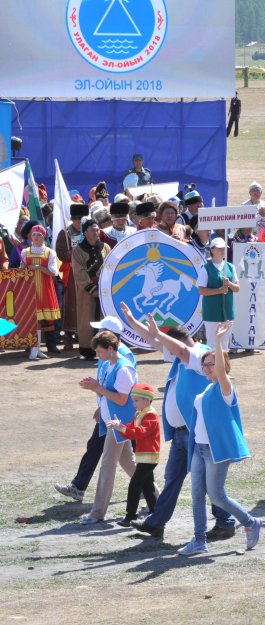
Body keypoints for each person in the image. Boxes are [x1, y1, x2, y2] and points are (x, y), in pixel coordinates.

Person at [116, 307, 235, 540]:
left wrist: (158, 334)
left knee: (208, 482)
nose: (166, 350)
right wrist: (132, 322)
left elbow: (175, 347)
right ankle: (156, 522)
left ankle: (226, 522)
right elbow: (154, 340)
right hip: (183, 433)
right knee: (172, 478)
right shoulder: (182, 355)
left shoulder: (198, 354)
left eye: (169, 344)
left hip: (196, 434)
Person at [178, 322, 261, 556]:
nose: (206, 369)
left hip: (216, 451)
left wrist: (216, 340)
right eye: (204, 365)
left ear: (222, 365)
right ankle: (199, 540)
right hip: (199, 449)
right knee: (196, 495)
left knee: (216, 495)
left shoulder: (226, 388)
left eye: (211, 364)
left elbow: (222, 372)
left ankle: (250, 521)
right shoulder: (206, 390)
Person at [78, 330, 139, 524]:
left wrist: (97, 388)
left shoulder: (124, 369)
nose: (98, 355)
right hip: (111, 422)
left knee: (107, 466)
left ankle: (97, 513)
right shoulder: (108, 365)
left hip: (120, 425)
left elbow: (122, 400)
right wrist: (100, 406)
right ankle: (157, 496)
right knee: (129, 464)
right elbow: (107, 393)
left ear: (111, 349)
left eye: (100, 351)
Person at [108, 383, 160, 527]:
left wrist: (121, 427)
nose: (134, 403)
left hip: (149, 457)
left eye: (136, 400)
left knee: (135, 484)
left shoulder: (151, 416)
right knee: (147, 485)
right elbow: (132, 429)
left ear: (148, 400)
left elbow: (140, 432)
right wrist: (121, 426)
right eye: (133, 400)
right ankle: (155, 514)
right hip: (144, 456)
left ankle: (131, 516)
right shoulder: (140, 413)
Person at [71, 219, 111, 360]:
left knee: (104, 318)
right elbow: (79, 271)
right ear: (85, 232)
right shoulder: (78, 250)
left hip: (104, 289)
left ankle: (104, 347)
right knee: (87, 318)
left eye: (97, 229)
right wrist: (92, 289)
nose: (96, 232)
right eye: (93, 230)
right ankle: (88, 349)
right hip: (87, 291)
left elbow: (111, 266)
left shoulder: (105, 247)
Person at [22, 224, 61, 360]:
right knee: (34, 320)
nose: (36, 237)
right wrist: (25, 268)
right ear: (30, 237)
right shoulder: (25, 252)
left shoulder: (50, 252)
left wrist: (38, 267)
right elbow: (21, 271)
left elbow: (53, 272)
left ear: (44, 236)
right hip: (30, 289)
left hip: (44, 288)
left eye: (39, 234)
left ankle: (36, 348)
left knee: (40, 320)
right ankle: (35, 348)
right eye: (34, 234)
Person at [196, 238, 239, 352]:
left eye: (224, 248)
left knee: (224, 345)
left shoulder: (230, 267)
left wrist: (228, 284)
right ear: (212, 250)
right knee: (212, 345)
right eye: (219, 248)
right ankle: (212, 368)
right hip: (211, 313)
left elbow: (237, 288)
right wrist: (219, 290)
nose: (222, 251)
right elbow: (201, 290)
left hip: (228, 312)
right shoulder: (205, 268)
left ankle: (223, 368)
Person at [56, 203, 88, 353]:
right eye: (77, 220)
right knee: (70, 305)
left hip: (88, 272)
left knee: (87, 305)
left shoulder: (90, 231)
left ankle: (86, 337)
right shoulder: (65, 233)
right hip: (71, 273)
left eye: (81, 220)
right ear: (73, 219)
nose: (79, 223)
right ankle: (68, 338)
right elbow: (61, 253)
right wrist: (75, 255)